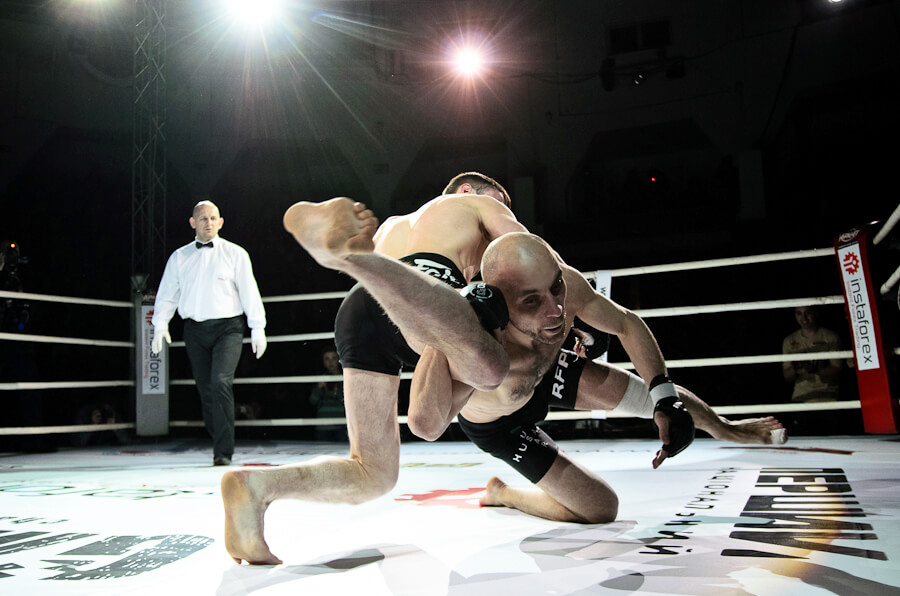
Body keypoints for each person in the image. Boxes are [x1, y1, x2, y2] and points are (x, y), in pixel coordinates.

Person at [221, 172, 543, 565]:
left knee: (372, 473)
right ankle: (349, 258)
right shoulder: (475, 205)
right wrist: (571, 309)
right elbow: (531, 255)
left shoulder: (395, 224)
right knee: (490, 366)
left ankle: (255, 487)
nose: (502, 215)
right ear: (466, 191)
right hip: (423, 291)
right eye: (501, 203)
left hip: (362, 307)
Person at [408, 232, 787, 523]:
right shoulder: (475, 337)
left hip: (548, 372)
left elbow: (626, 323)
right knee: (601, 508)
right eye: (531, 301)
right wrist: (446, 328)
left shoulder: (567, 287)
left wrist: (666, 397)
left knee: (661, 399)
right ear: (497, 301)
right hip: (500, 424)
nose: (556, 310)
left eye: (555, 287)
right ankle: (504, 494)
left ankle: (727, 429)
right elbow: (426, 424)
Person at [151, 200, 267, 466]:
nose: (209, 223)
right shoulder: (179, 257)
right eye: (203, 218)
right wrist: (160, 324)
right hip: (195, 329)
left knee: (220, 382)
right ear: (193, 222)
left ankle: (223, 451)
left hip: (229, 328)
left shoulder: (236, 254)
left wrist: (257, 326)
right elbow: (168, 294)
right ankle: (220, 439)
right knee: (206, 391)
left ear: (221, 222)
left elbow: (249, 291)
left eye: (213, 218)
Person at [782, 305, 843, 402]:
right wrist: (795, 366)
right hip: (800, 397)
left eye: (808, 312)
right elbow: (787, 377)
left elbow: (837, 368)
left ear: (815, 313)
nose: (804, 318)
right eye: (799, 313)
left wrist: (814, 369)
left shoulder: (830, 337)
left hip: (827, 396)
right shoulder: (789, 341)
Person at [308, 346, 347, 442]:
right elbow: (312, 401)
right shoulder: (321, 378)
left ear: (338, 360)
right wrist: (318, 388)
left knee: (342, 451)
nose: (330, 362)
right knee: (323, 450)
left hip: (341, 426)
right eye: (327, 359)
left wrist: (338, 391)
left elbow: (350, 403)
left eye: (333, 358)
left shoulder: (345, 378)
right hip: (323, 426)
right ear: (323, 362)